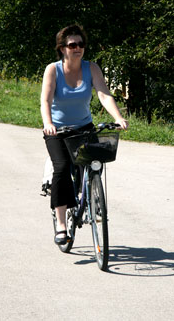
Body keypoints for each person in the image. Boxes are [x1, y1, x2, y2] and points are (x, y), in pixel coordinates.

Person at [40, 24, 128, 246]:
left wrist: (118, 117)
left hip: (84, 127)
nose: (77, 48)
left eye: (81, 44)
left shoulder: (92, 68)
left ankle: (87, 196)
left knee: (91, 165)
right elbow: (46, 100)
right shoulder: (53, 69)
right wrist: (48, 123)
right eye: (72, 45)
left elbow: (103, 94)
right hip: (58, 130)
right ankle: (61, 224)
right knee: (61, 168)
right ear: (62, 48)